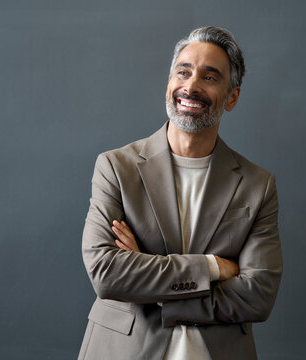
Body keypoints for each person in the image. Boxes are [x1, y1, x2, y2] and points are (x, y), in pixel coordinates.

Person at [78, 26, 282, 360]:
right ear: (170, 81)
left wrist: (147, 273)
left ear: (232, 96)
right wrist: (211, 268)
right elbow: (107, 273)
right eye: (183, 72)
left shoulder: (258, 185)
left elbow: (258, 295)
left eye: (210, 77)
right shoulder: (116, 167)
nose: (191, 86)